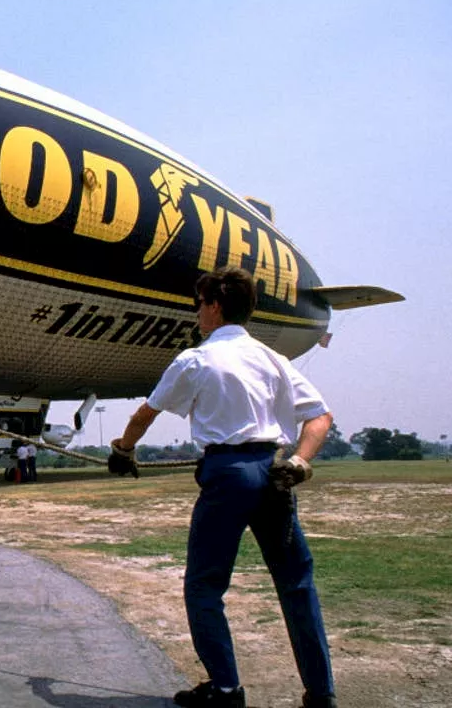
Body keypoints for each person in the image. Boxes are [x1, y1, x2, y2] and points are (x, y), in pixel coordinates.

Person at [112, 268, 336, 708]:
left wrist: (123, 449)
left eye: (200, 304)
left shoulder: (196, 359)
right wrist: (300, 462)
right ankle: (321, 692)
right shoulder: (273, 360)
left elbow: (145, 414)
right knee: (296, 585)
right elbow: (320, 416)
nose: (197, 312)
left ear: (214, 306)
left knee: (205, 585)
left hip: (227, 473)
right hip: (274, 472)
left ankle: (227, 689)